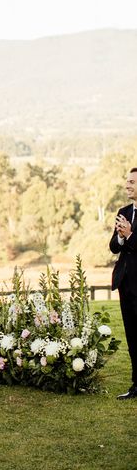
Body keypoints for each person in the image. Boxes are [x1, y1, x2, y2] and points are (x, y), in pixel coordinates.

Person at [110, 167, 137, 400]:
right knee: (132, 337)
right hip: (125, 284)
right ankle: (136, 385)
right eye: (127, 181)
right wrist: (120, 235)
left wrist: (129, 234)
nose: (127, 185)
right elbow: (113, 247)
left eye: (132, 182)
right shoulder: (124, 211)